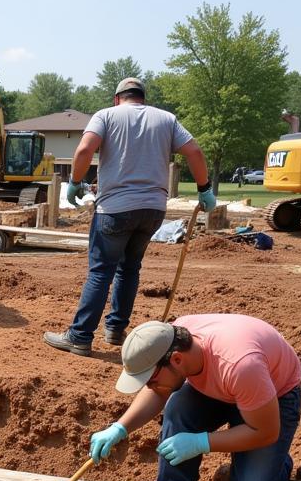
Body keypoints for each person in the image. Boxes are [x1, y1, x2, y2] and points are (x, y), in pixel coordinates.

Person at [89, 315, 301, 481]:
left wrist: (201, 442)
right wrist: (120, 427)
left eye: (150, 380)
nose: (149, 387)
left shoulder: (241, 364)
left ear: (177, 360)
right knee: (178, 408)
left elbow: (265, 431)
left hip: (270, 400)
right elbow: (159, 390)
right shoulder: (171, 341)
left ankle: (275, 464)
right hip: (225, 386)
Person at [43, 77, 216, 357]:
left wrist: (75, 181)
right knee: (129, 268)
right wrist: (204, 189)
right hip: (152, 210)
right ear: (142, 98)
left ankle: (80, 336)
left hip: (115, 209)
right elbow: (194, 151)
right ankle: (115, 329)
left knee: (101, 271)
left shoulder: (107, 116)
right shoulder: (166, 119)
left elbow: (85, 149)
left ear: (117, 98)